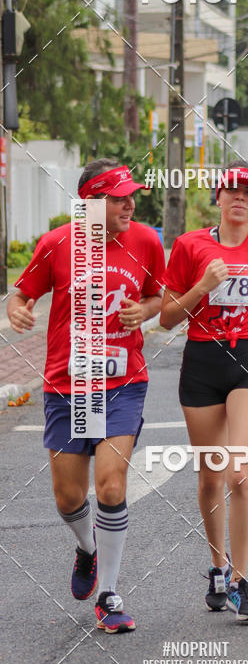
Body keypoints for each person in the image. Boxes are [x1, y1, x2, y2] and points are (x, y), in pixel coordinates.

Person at [6, 159, 165, 633]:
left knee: (112, 486)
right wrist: (17, 311)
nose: (129, 204)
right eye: (118, 198)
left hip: (122, 383)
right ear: (90, 204)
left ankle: (110, 595)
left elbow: (159, 295)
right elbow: (21, 294)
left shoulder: (145, 241)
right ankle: (87, 548)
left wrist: (146, 310)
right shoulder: (56, 244)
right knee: (68, 497)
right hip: (66, 386)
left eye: (130, 196)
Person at [160, 164, 248, 622]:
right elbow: (165, 316)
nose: (240, 198)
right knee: (210, 478)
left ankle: (241, 580)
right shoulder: (190, 246)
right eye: (232, 191)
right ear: (218, 199)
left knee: (239, 473)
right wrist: (203, 285)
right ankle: (217, 566)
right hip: (201, 363)